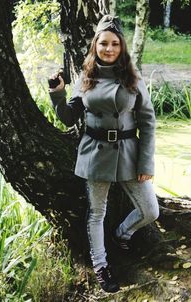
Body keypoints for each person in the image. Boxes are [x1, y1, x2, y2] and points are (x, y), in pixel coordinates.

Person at [48, 15, 159, 293]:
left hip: (129, 154)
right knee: (96, 212)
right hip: (95, 153)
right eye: (103, 43)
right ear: (95, 45)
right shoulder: (86, 77)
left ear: (121, 46)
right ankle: (101, 265)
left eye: (114, 44)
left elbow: (147, 122)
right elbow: (68, 117)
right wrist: (58, 95)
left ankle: (123, 233)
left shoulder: (132, 77)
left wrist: (146, 162)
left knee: (150, 210)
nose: (108, 49)